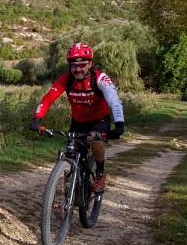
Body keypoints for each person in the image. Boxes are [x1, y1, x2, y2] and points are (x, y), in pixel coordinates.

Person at [29, 42, 125, 192]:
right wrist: (37, 118)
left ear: (90, 64)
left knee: (94, 140)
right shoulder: (66, 79)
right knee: (70, 152)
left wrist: (119, 124)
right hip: (78, 121)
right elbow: (48, 99)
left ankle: (100, 171)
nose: (77, 69)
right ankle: (72, 189)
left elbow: (114, 100)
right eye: (73, 65)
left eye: (82, 65)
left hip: (99, 120)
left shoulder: (100, 78)